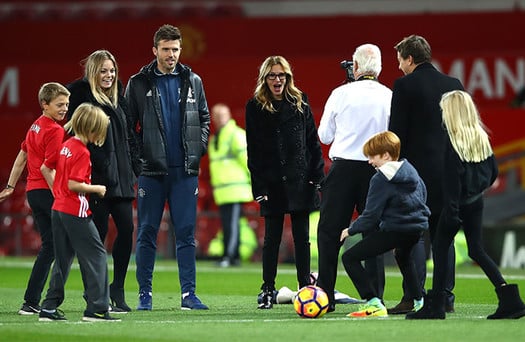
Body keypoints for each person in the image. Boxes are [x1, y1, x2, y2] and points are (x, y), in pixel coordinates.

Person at [407, 91, 525, 320]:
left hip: (455, 206)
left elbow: (452, 182)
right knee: (476, 250)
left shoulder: (453, 143)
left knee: (440, 248)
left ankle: (436, 305)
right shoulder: (480, 136)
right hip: (476, 202)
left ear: (451, 112)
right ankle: (509, 297)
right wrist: (475, 191)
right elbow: (493, 172)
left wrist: (451, 211)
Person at [125, 24, 210, 311]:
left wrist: (197, 150)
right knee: (147, 231)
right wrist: (140, 160)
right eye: (165, 49)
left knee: (186, 233)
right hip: (152, 172)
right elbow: (128, 127)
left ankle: (189, 295)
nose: (171, 54)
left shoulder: (193, 80)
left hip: (184, 172)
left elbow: (204, 118)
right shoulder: (138, 83)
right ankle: (144, 294)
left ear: (180, 50)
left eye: (175, 49)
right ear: (155, 50)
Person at [387, 34, 464, 314]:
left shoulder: (404, 85)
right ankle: (445, 296)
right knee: (445, 236)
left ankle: (414, 297)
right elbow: (462, 130)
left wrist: (394, 172)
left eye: (400, 61)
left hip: (415, 175)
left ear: (410, 59)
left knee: (413, 235)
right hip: (449, 172)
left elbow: (396, 134)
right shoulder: (453, 84)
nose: (399, 67)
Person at [245, 55, 324, 310]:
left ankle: (304, 286)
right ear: (264, 78)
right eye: (272, 76)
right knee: (272, 239)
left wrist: (315, 177)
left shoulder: (301, 102)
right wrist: (259, 188)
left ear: (288, 77)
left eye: (281, 76)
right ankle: (268, 288)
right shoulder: (254, 106)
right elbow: (253, 151)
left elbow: (313, 143)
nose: (277, 80)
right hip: (272, 182)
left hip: (301, 179)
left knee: (302, 239)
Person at [317, 43, 391, 312]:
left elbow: (324, 136)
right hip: (377, 171)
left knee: (329, 233)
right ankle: (376, 298)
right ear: (380, 68)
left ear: (355, 67)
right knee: (373, 234)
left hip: (344, 169)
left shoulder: (340, 93)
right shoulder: (389, 95)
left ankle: (325, 295)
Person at [66, 50, 135, 312]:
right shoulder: (79, 94)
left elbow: (129, 133)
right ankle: (94, 290)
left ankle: (116, 288)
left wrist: (134, 165)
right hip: (94, 178)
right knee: (98, 237)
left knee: (127, 229)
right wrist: (93, 166)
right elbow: (74, 135)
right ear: (93, 72)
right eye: (104, 71)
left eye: (112, 71)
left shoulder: (119, 92)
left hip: (122, 176)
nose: (109, 76)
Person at [39, 103, 120, 322]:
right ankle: (96, 308)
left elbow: (49, 169)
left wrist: (60, 191)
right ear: (92, 128)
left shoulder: (67, 145)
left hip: (59, 209)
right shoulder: (82, 152)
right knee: (97, 255)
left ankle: (48, 306)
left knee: (63, 259)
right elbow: (75, 184)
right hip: (75, 211)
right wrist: (96, 188)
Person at [340, 131, 429, 318]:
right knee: (403, 257)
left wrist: (350, 230)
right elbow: (423, 194)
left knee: (350, 258)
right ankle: (420, 302)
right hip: (417, 228)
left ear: (386, 155)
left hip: (397, 229)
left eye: (373, 156)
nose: (370, 161)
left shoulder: (380, 178)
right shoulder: (410, 169)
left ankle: (373, 302)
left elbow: (371, 216)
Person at [0, 82, 69, 315]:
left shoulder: (36, 126)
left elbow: (22, 156)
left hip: (33, 192)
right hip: (47, 192)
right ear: (45, 104)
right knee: (59, 246)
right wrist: (61, 196)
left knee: (50, 246)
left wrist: (11, 185)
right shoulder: (55, 130)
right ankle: (40, 301)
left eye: (67, 104)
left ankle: (32, 301)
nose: (64, 109)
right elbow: (46, 169)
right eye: (59, 105)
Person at [208, 103, 253, 268]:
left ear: (228, 116)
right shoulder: (215, 138)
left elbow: (248, 161)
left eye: (222, 115)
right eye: (216, 115)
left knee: (232, 224)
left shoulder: (235, 135)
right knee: (228, 224)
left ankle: (230, 255)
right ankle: (231, 255)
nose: (219, 119)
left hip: (235, 188)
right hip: (223, 190)